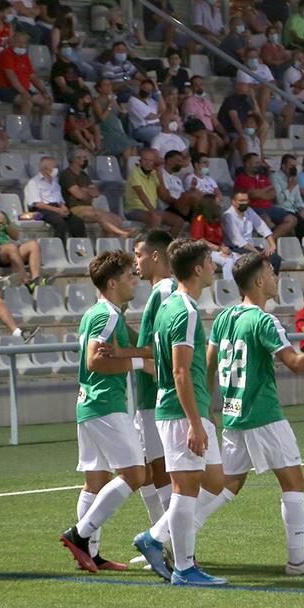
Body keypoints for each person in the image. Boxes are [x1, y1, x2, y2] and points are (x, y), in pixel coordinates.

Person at [194, 253, 304, 575]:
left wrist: (207, 408)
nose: (277, 278)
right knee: (293, 480)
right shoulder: (264, 321)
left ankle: (168, 538)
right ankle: (297, 561)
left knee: (227, 484)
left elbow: (208, 365)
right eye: (272, 273)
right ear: (260, 281)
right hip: (264, 414)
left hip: (233, 413)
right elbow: (296, 363)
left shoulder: (223, 317)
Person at [130, 238, 229, 587]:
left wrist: (203, 414)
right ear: (198, 269)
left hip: (190, 408)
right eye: (210, 262)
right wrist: (193, 422)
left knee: (216, 480)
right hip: (179, 411)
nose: (214, 268)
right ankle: (184, 569)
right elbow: (180, 371)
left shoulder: (173, 305)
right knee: (185, 488)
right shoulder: (184, 310)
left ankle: (155, 537)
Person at [58, 250, 154, 573]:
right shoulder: (107, 315)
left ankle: (91, 555)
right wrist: (142, 363)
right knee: (135, 474)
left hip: (89, 405)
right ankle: (79, 535)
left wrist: (144, 353)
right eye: (130, 276)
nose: (135, 280)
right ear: (112, 283)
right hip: (105, 405)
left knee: (95, 480)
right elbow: (94, 361)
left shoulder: (97, 313)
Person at [130, 230, 177, 538]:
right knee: (147, 471)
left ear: (155, 256)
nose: (136, 262)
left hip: (158, 396)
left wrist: (125, 355)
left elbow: (160, 350)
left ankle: (166, 541)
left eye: (139, 254)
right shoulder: (157, 292)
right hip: (146, 396)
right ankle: (160, 538)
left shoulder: (165, 292)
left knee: (159, 471)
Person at [61, 148, 132, 239]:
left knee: (116, 218)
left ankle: (111, 244)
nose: (85, 160)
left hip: (89, 207)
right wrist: (87, 192)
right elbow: (79, 195)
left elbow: (96, 193)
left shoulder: (84, 175)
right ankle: (122, 233)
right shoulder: (67, 175)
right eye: (82, 157)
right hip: (74, 209)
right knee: (99, 215)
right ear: (74, 159)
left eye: (85, 157)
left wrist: (84, 190)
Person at [23, 156, 86, 243]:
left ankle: (79, 248)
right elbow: (38, 204)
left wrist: (63, 207)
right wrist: (57, 210)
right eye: (55, 167)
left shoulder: (55, 181)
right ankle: (60, 249)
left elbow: (59, 200)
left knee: (77, 222)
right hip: (42, 210)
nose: (57, 169)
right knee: (60, 223)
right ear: (45, 169)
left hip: (57, 207)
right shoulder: (33, 183)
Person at [124, 147, 185, 234]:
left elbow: (164, 194)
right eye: (145, 160)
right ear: (140, 160)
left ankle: (167, 244)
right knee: (156, 218)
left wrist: (160, 177)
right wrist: (153, 211)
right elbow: (141, 194)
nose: (148, 163)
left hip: (150, 210)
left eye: (151, 160)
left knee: (179, 221)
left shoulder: (154, 174)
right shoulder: (135, 172)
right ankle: (148, 244)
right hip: (134, 210)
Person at [0, 31, 52, 116]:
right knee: (27, 102)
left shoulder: (24, 57)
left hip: (21, 90)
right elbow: (12, 77)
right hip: (4, 89)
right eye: (18, 42)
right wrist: (23, 92)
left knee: (47, 102)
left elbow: (33, 76)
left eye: (24, 43)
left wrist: (44, 92)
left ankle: (45, 128)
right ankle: (22, 128)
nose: (21, 45)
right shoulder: (6, 54)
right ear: (11, 42)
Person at [223, 190, 282, 273]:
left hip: (251, 248)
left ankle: (273, 282)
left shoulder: (249, 211)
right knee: (258, 262)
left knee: (275, 258)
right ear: (233, 202)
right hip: (235, 249)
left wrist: (272, 245)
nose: (244, 203)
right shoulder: (228, 216)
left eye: (246, 200)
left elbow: (263, 227)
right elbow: (239, 241)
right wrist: (257, 252)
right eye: (241, 201)